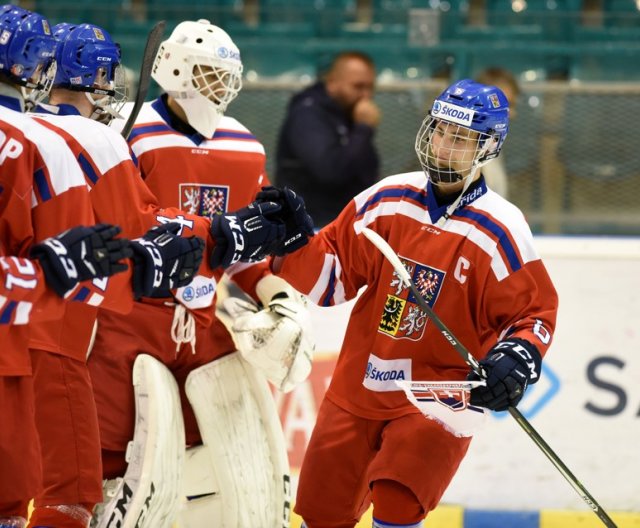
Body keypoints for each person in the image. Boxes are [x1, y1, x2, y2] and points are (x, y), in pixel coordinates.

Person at [26, 20, 300, 528]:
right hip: (128, 320)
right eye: (211, 75)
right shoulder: (124, 138)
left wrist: (277, 293)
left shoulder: (245, 146)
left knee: (212, 474)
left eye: (226, 77)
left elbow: (243, 247)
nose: (221, 88)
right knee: (107, 465)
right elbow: (133, 227)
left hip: (201, 326)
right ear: (176, 70)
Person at [263, 79, 558, 527]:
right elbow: (331, 280)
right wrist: (292, 243)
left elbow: (533, 313)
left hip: (439, 397)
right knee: (321, 514)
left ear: (488, 147)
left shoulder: (501, 227)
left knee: (399, 506)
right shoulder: (387, 199)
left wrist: (516, 357)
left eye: (461, 138)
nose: (445, 145)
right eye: (441, 130)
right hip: (359, 386)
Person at [0, 6, 199, 527]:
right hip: (43, 341)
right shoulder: (89, 139)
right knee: (66, 497)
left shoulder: (26, 128)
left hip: (21, 331)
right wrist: (212, 232)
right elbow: (139, 228)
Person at [275, 50, 381, 227]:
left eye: (370, 87)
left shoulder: (349, 114)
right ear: (332, 83)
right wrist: (363, 129)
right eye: (358, 87)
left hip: (344, 223)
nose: (366, 95)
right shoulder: (307, 114)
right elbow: (330, 172)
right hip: (310, 226)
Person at [475, 67, 521, 198]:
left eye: (512, 105)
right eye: (505, 105)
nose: (512, 114)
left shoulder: (491, 147)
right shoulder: (467, 156)